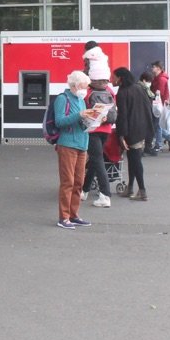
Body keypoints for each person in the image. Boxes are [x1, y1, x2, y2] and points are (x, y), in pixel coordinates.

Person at [53, 70, 95, 229]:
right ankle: (63, 217)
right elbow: (59, 121)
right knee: (68, 182)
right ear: (75, 85)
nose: (86, 89)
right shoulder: (62, 99)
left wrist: (94, 119)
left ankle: (73, 215)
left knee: (78, 182)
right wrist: (79, 115)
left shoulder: (80, 100)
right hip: (67, 144)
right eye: (84, 86)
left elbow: (81, 121)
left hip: (82, 144)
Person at [113, 66, 154, 201]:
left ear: (120, 78)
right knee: (132, 159)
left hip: (131, 130)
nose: (112, 79)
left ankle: (142, 191)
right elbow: (148, 108)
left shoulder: (122, 92)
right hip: (142, 128)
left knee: (135, 160)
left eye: (114, 77)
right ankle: (130, 188)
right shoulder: (139, 88)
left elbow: (122, 116)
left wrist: (121, 135)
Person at [80, 76, 116, 208]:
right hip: (106, 129)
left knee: (97, 160)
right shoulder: (109, 90)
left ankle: (105, 195)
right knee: (95, 160)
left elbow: (82, 110)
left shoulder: (87, 92)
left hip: (92, 129)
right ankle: (84, 190)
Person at [149, 61, 170, 153]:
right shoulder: (158, 78)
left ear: (158, 68)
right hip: (158, 104)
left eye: (153, 67)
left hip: (158, 105)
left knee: (157, 125)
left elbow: (159, 93)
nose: (152, 69)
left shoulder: (161, 79)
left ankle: (159, 144)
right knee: (157, 125)